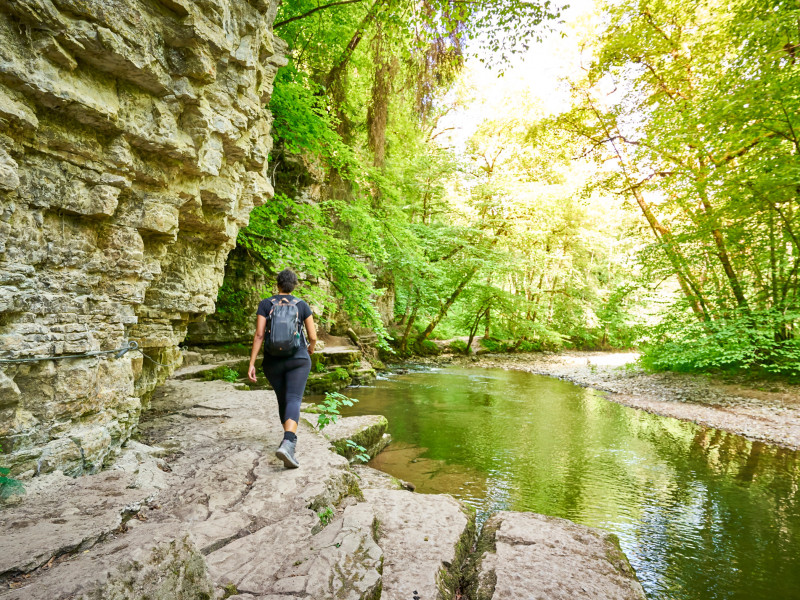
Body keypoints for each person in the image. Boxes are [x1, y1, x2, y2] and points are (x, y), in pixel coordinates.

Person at [248, 269, 317, 468]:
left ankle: (287, 442)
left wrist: (252, 363)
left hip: (272, 361)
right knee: (294, 399)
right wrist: (310, 349)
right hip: (298, 359)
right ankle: (288, 443)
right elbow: (312, 336)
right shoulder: (302, 305)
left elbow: (259, 335)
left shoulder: (265, 304)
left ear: (277, 285)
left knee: (283, 399)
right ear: (294, 285)